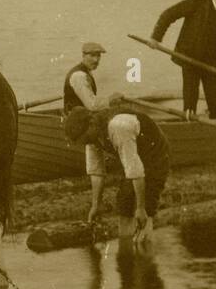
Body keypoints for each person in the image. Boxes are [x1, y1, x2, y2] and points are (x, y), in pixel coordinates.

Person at [63, 105, 170, 247]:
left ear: (91, 125)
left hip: (155, 153)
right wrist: (96, 204)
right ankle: (126, 251)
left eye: (85, 138)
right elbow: (97, 171)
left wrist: (140, 208)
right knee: (124, 200)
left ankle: (145, 249)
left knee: (146, 207)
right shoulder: (90, 136)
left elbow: (135, 170)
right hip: (133, 154)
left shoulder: (118, 127)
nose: (86, 143)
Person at [64, 41, 111, 111]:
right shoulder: (79, 76)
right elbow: (92, 105)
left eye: (98, 56)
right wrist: (111, 99)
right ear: (83, 56)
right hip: (76, 119)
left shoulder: (86, 72)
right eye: (92, 55)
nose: (96, 60)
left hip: (82, 115)